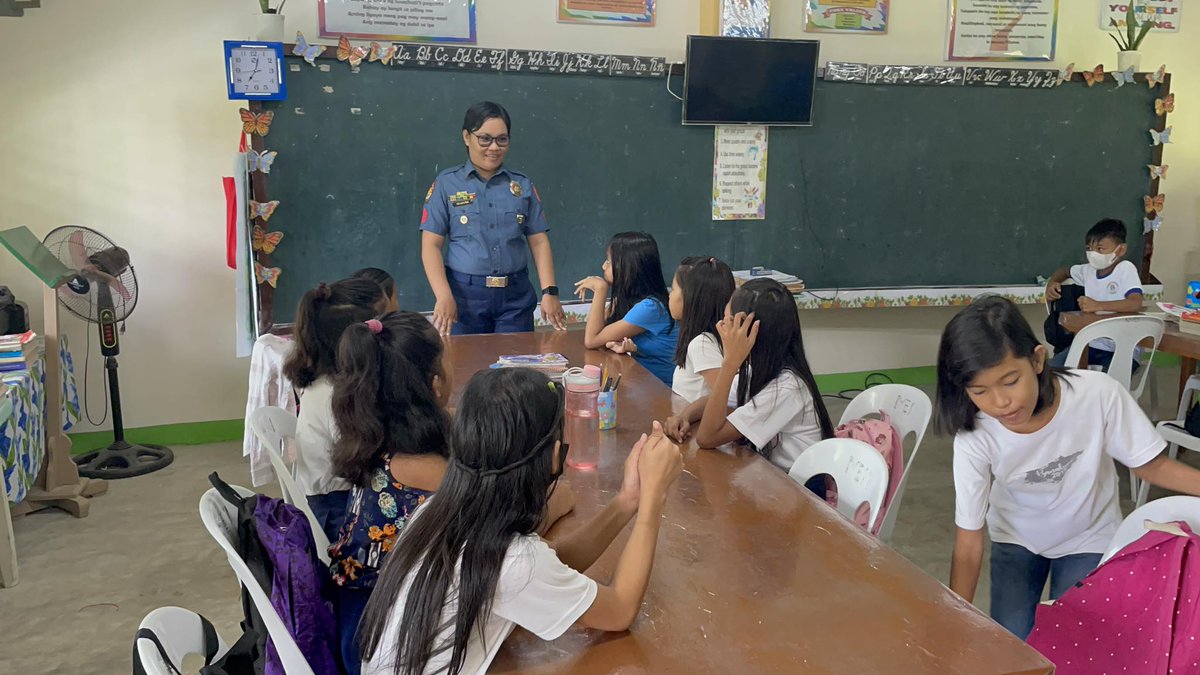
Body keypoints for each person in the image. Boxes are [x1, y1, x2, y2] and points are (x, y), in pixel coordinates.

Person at [358, 368, 683, 675]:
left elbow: (552, 560)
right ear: (556, 455)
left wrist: (628, 500)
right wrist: (654, 499)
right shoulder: (512, 561)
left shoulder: (434, 512)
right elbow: (620, 610)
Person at [936, 296, 1200, 639]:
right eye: (980, 391)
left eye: (1011, 380)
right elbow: (969, 542)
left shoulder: (1098, 396)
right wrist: (955, 619)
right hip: (1015, 539)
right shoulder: (975, 433)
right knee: (1013, 640)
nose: (1000, 402)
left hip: (1088, 537)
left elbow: (1153, 466)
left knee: (1077, 640)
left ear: (1037, 359)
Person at [327, 312, 451, 674]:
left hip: (364, 612)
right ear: (435, 383)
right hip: (377, 642)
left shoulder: (380, 433)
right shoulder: (416, 466)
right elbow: (509, 511)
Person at [419, 101, 566, 335]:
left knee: (515, 368)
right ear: (467, 137)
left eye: (502, 139)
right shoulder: (447, 184)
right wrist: (443, 295)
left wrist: (550, 292)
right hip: (464, 298)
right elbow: (430, 246)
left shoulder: (521, 185)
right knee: (467, 368)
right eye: (485, 138)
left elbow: (538, 241)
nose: (494, 147)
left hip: (515, 298)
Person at [665, 279, 834, 474]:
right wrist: (684, 416)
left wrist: (729, 364)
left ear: (751, 332)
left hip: (799, 488)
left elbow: (707, 437)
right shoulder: (758, 368)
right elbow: (711, 401)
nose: (721, 326)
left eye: (728, 322)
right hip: (769, 474)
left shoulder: (788, 387)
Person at [282, 278, 383, 540]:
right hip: (337, 516)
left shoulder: (324, 381)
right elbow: (361, 464)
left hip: (334, 499)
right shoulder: (334, 397)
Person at [574, 232, 679, 386]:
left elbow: (591, 340)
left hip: (662, 391)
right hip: (642, 382)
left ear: (628, 266)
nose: (603, 266)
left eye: (609, 261)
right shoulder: (628, 301)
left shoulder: (650, 307)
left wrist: (600, 289)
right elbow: (600, 336)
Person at [1044, 219, 1144, 370]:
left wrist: (1099, 305)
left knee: (1102, 385)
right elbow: (1064, 271)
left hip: (1122, 348)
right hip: (1091, 344)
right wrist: (1053, 283)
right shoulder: (1088, 270)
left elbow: (1135, 302)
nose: (1093, 254)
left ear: (1121, 250)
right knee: (1051, 372)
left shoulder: (1125, 269)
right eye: (1089, 248)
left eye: (1100, 249)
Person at [668, 256, 735, 402]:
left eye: (673, 289)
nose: (670, 295)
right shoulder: (704, 340)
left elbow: (726, 399)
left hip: (695, 423)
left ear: (691, 298)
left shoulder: (702, 344)